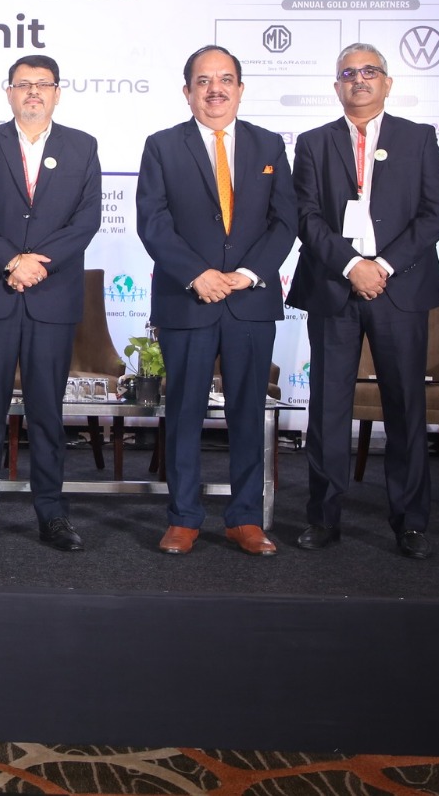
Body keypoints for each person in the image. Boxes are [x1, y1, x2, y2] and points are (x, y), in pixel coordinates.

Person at [287, 43, 439, 559]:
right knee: (327, 408)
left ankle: (410, 522)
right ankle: (323, 517)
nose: (359, 79)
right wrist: (351, 265)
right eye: (348, 73)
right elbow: (305, 215)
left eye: (369, 71)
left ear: (387, 82)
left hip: (399, 289)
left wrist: (382, 266)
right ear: (337, 86)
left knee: (405, 407)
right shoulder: (313, 143)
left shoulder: (418, 138)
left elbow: (436, 212)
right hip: (334, 287)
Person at [136, 45, 296, 557]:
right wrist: (196, 274)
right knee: (184, 412)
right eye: (203, 81)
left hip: (251, 301)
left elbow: (284, 221)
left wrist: (247, 274)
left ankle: (244, 518)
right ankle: (183, 518)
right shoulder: (162, 146)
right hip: (188, 300)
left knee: (248, 413)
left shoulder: (269, 144)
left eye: (225, 79)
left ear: (241, 89)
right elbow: (153, 222)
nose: (215, 90)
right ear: (187, 92)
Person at [0, 54, 101, 552]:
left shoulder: (82, 146)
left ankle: (52, 514)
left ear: (58, 92)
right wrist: (12, 261)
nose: (33, 91)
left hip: (51, 298)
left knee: (47, 414)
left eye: (43, 84)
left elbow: (86, 220)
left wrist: (38, 265)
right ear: (9, 92)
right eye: (23, 84)